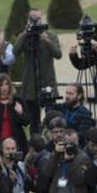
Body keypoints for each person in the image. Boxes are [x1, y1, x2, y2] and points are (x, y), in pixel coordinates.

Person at [15, 8, 62, 136]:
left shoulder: (50, 35)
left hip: (48, 83)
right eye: (33, 19)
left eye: (38, 19)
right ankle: (35, 145)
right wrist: (25, 34)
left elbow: (58, 54)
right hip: (31, 86)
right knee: (33, 122)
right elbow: (15, 52)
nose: (36, 22)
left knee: (51, 119)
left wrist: (47, 42)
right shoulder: (25, 36)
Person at [0, 73, 29, 152]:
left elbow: (26, 122)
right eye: (1, 85)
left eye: (6, 84)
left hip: (16, 140)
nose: (4, 88)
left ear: (10, 86)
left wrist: (21, 113)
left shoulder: (17, 101)